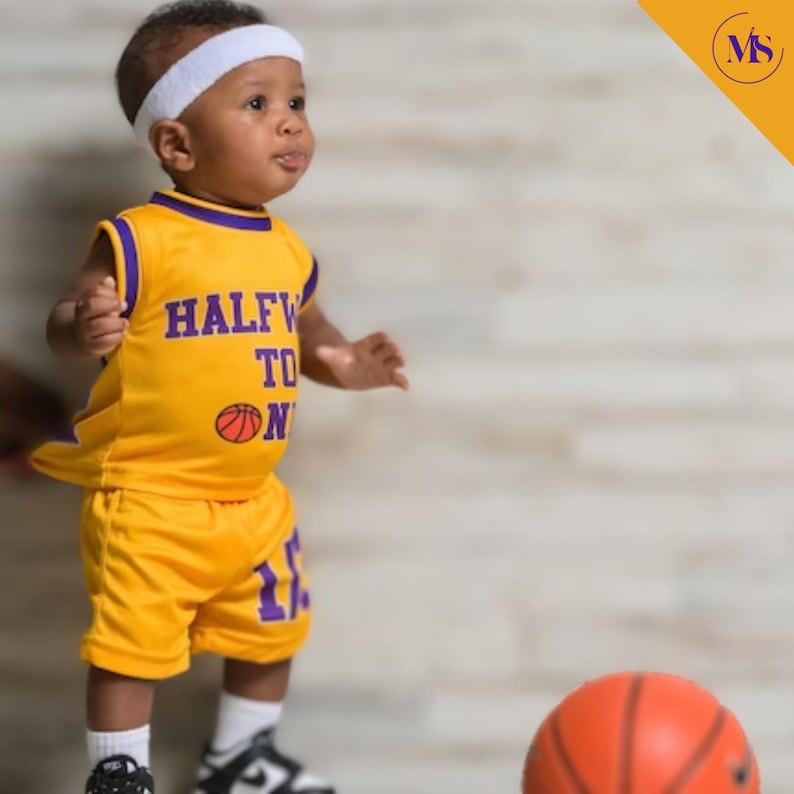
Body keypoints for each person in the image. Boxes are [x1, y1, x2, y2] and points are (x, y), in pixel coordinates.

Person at [30, 2, 409, 792]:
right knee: (131, 643)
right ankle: (119, 770)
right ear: (178, 143)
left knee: (272, 631)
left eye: (297, 103)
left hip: (252, 499)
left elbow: (309, 333)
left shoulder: (287, 249)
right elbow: (64, 321)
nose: (290, 125)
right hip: (152, 497)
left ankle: (239, 758)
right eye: (258, 103)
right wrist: (84, 325)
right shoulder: (142, 238)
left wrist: (345, 360)